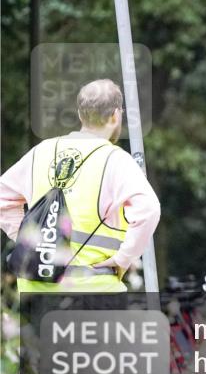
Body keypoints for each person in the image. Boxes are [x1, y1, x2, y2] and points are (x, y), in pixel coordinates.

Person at [0, 79, 161, 293]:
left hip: (34, 292)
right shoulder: (116, 160)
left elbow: (2, 199)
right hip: (93, 288)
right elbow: (148, 210)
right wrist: (124, 258)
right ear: (116, 115)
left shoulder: (42, 151)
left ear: (80, 114)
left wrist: (30, 241)